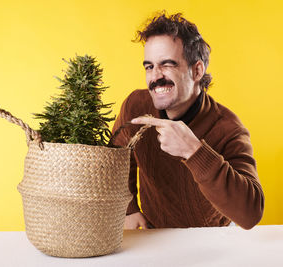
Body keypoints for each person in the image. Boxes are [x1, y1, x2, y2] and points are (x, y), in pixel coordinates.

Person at [112, 11, 264, 230]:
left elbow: (251, 214)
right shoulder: (136, 106)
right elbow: (116, 158)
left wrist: (194, 152)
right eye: (149, 66)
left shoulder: (228, 128)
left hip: (212, 241)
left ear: (197, 70)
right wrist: (128, 209)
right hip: (153, 237)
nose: (155, 76)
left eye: (167, 64)